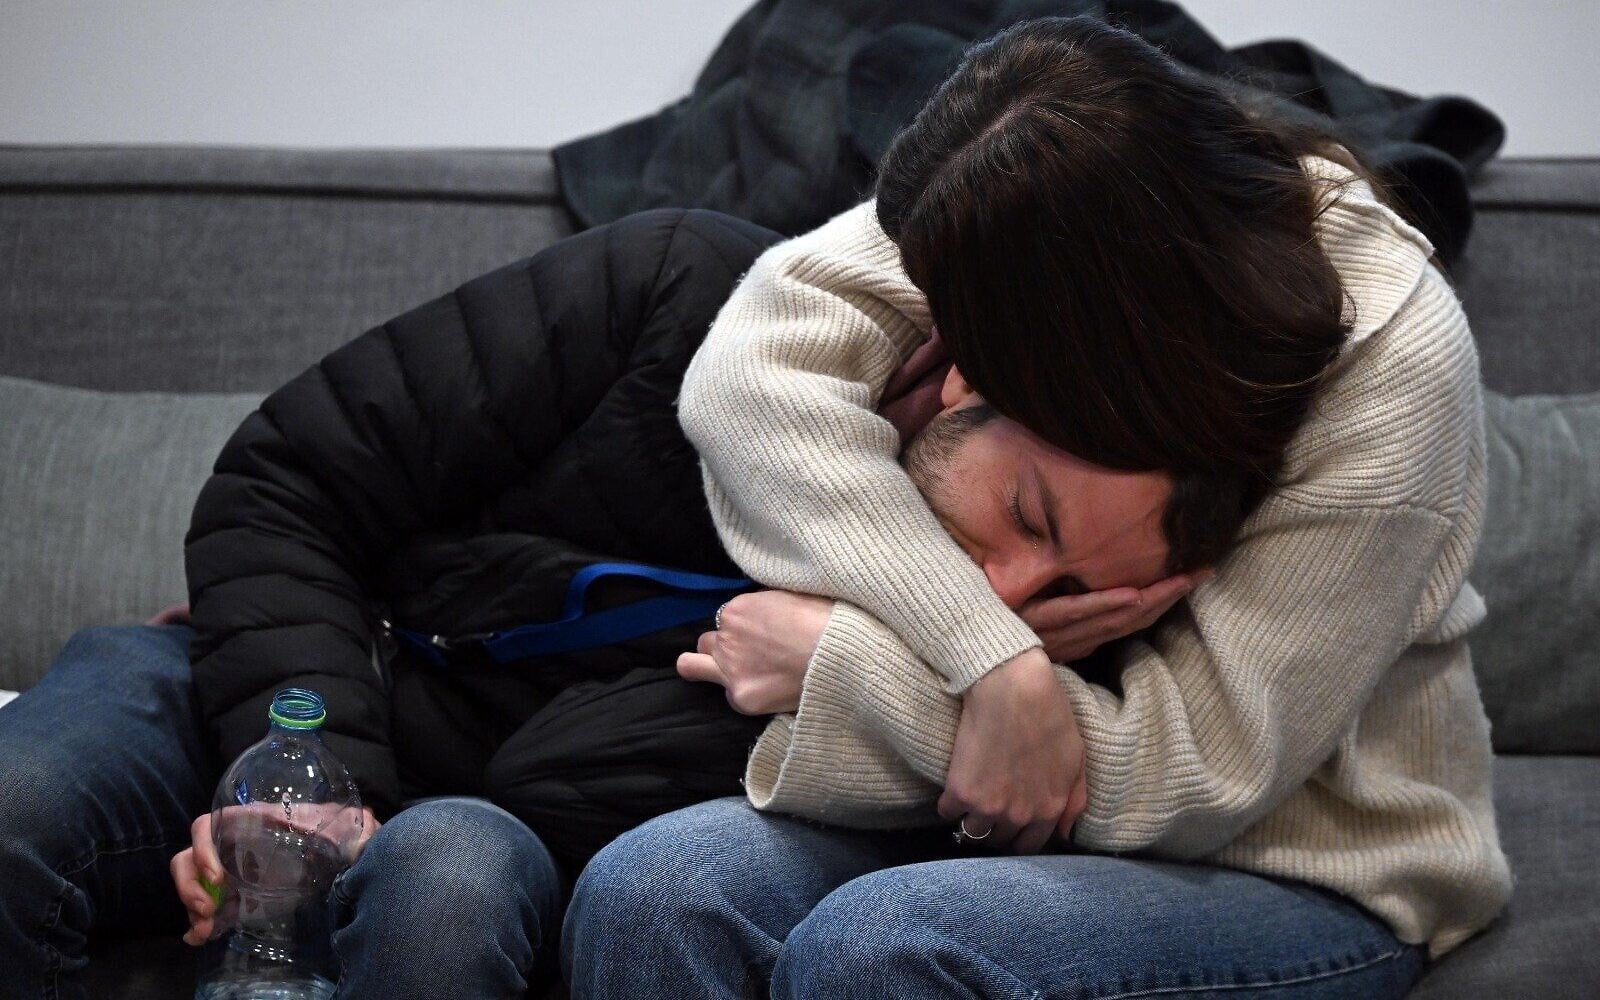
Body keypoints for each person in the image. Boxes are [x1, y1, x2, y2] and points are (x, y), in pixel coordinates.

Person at [0, 202, 1197, 997]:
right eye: (1026, 515)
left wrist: (884, 655)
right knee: (17, 806)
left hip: (481, 818)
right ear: (968, 379)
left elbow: (555, 783)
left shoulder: (990, 684)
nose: (1004, 596)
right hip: (266, 677)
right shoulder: (684, 295)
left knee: (447, 878)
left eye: (1072, 595)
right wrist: (306, 773)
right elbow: (290, 478)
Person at [562, 15, 1511, 1000]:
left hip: (1297, 857)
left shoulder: (1388, 355)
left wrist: (855, 677)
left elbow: (1202, 774)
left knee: (884, 945)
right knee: (653, 891)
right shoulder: (1006, 201)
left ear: (1097, 325)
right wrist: (990, 658)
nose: (954, 371)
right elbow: (747, 382)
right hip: (988, 794)